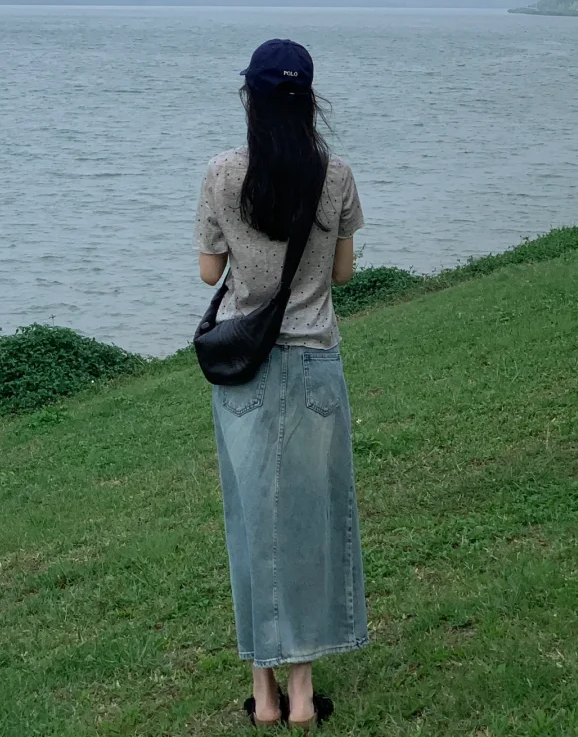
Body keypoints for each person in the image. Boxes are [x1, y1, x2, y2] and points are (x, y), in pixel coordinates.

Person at [194, 38, 368, 730]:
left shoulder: (221, 173)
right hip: (315, 364)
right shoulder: (337, 175)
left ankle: (262, 694)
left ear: (252, 100)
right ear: (309, 101)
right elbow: (343, 273)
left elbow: (210, 273)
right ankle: (302, 693)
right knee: (311, 522)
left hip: (247, 372)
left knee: (251, 522)